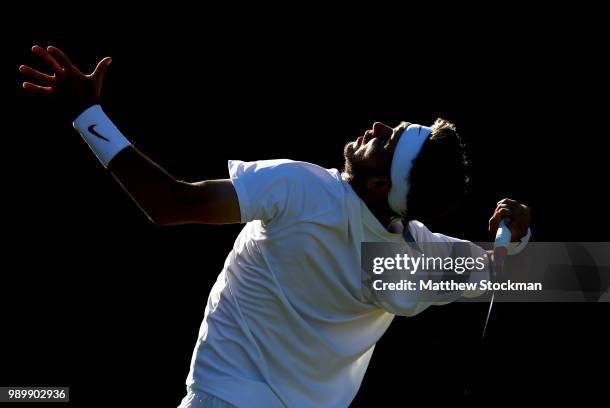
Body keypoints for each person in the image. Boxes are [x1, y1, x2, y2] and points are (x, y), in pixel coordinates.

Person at [19, 46, 531, 408]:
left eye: (388, 140)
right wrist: (516, 237)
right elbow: (517, 272)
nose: (377, 127)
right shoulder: (413, 260)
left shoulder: (304, 190)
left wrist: (86, 114)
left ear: (379, 184)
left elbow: (169, 203)